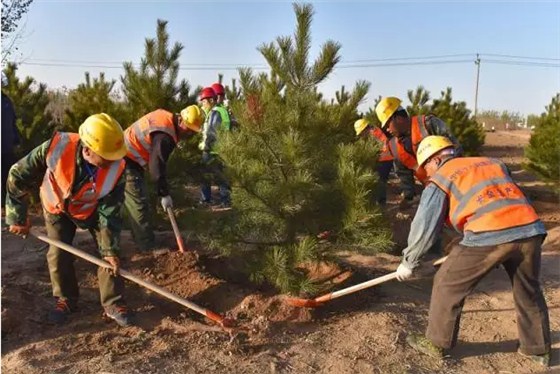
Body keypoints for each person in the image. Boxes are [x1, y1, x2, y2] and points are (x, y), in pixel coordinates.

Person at [395, 135, 551, 367]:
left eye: (425, 167)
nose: (426, 174)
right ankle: (536, 350)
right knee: (528, 289)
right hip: (530, 229)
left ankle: (437, 343)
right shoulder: (491, 163)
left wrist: (409, 260)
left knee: (447, 282)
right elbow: (506, 198)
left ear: (436, 160)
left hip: (489, 233)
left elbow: (425, 224)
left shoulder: (441, 177)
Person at [6, 113, 133, 327]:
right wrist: (17, 216)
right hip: (55, 205)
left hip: (92, 210)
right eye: (108, 155)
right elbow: (17, 175)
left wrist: (109, 249)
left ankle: (113, 302)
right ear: (87, 150)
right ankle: (66, 299)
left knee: (110, 257)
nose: (114, 160)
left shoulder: (117, 168)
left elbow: (110, 211)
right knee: (58, 253)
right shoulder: (57, 146)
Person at [123, 105, 203, 251]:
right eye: (189, 129)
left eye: (193, 131)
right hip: (125, 159)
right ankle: (147, 247)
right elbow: (157, 165)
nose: (190, 133)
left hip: (129, 158)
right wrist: (163, 193)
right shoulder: (165, 135)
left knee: (140, 201)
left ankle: (140, 238)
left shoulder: (165, 118)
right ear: (181, 121)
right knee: (138, 204)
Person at [375, 97, 462, 206]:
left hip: (454, 183)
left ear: (397, 118)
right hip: (432, 189)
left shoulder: (427, 124)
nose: (387, 129)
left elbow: (455, 148)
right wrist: (408, 197)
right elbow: (403, 174)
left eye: (388, 124)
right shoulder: (394, 146)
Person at [198, 87, 231, 209]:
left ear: (211, 100)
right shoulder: (221, 110)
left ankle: (206, 200)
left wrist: (206, 147)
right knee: (222, 176)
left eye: (204, 101)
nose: (202, 104)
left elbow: (212, 132)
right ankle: (225, 200)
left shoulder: (215, 112)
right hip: (221, 148)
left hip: (212, 150)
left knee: (206, 176)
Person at [354, 118, 393, 205]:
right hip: (384, 159)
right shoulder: (373, 131)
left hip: (384, 160)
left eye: (361, 133)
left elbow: (375, 150)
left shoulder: (373, 134)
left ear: (364, 129)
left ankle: (381, 203)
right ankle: (378, 201)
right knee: (379, 181)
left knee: (380, 182)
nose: (361, 135)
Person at [1, 72, 20, 211]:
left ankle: (6, 206)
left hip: (7, 147)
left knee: (8, 177)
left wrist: (16, 139)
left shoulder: (6, 101)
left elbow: (12, 122)